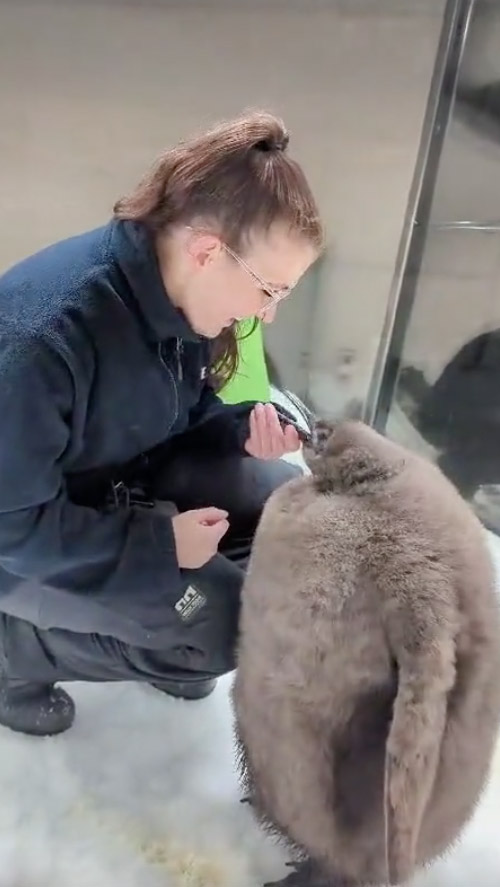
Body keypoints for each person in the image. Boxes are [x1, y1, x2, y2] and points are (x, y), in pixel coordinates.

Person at [0, 110, 323, 737]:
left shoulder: (173, 297)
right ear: (207, 252)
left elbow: (179, 410)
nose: (270, 314)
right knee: (220, 623)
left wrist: (241, 429)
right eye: (268, 289)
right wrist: (158, 549)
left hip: (113, 489)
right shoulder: (40, 341)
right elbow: (11, 523)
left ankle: (162, 638)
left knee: (284, 500)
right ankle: (14, 656)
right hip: (24, 545)